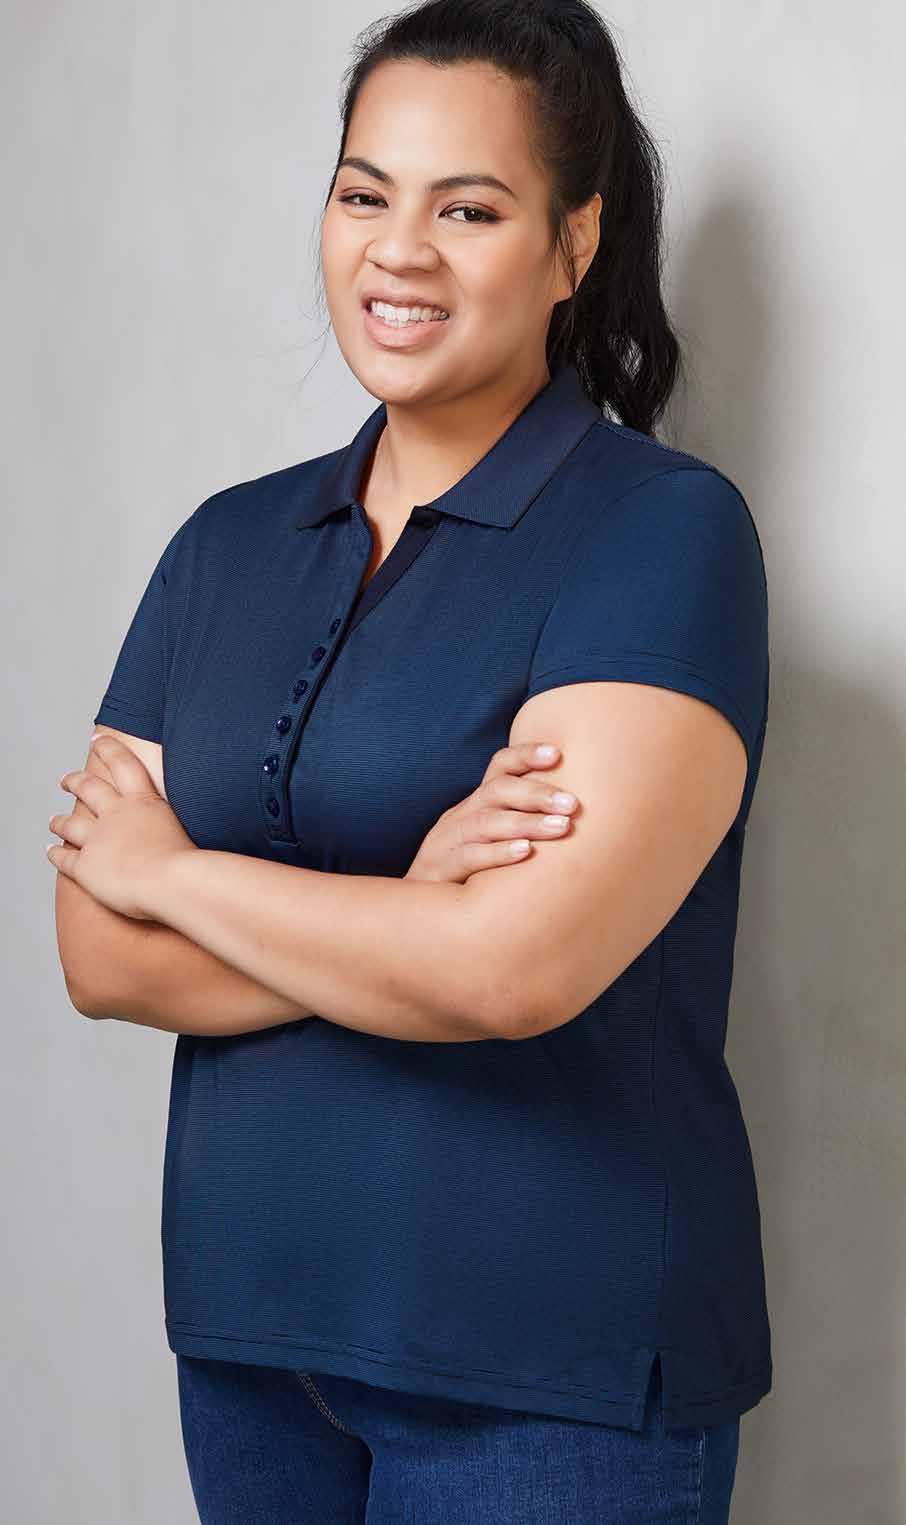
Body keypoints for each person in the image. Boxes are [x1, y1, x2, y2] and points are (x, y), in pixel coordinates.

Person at [50, 1, 771, 1519]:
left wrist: (179, 874)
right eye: (365, 193)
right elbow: (100, 952)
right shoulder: (226, 543)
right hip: (253, 1344)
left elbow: (509, 973)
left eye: (469, 209)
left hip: (546, 1369)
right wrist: (407, 910)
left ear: (573, 245)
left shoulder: (658, 533)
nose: (398, 252)